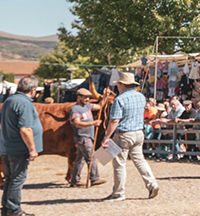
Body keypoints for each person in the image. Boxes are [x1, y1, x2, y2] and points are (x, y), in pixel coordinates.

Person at [102, 71, 160, 201]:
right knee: (140, 160)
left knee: (119, 164)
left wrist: (106, 137)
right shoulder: (141, 97)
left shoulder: (120, 99)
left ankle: (118, 193)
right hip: (139, 132)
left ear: (122, 84)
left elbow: (114, 120)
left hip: (124, 134)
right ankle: (152, 184)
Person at [0, 75, 43, 216]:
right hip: (18, 148)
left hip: (7, 146)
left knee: (10, 179)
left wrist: (9, 135)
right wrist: (32, 149)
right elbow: (25, 129)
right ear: (33, 89)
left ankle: (6, 209)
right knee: (17, 179)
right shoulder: (24, 103)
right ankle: (13, 210)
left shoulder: (9, 100)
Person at [68, 87, 105, 187]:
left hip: (86, 136)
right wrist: (93, 123)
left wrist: (105, 97)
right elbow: (77, 123)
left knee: (80, 159)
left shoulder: (87, 106)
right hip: (82, 137)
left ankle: (75, 180)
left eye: (88, 97)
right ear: (78, 97)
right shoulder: (75, 109)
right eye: (85, 98)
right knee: (91, 157)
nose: (87, 99)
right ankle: (94, 178)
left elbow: (100, 106)